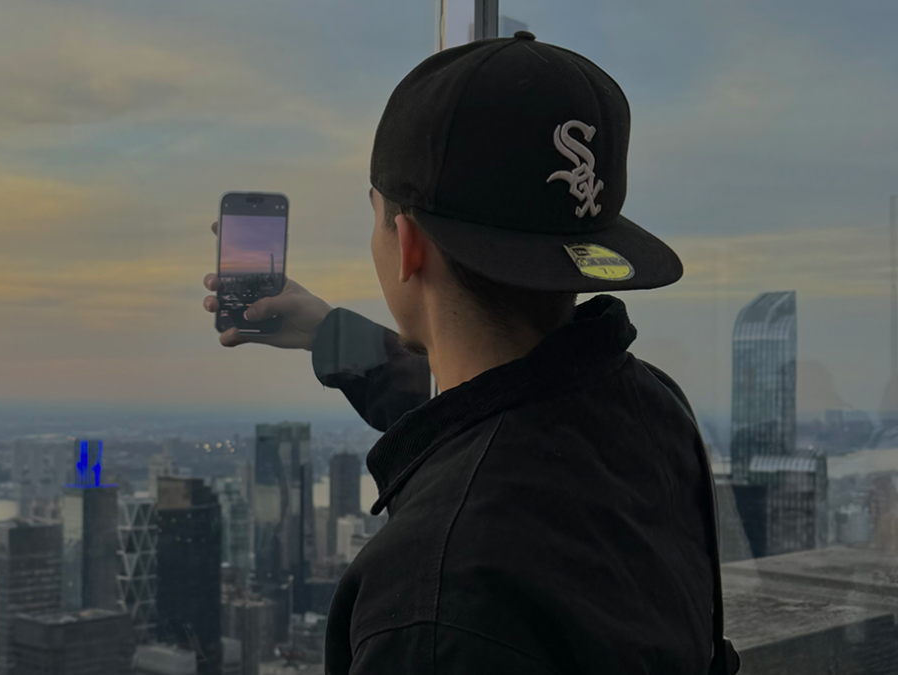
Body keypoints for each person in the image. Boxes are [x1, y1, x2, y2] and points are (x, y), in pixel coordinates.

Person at [202, 33, 737, 674]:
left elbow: (483, 451)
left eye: (375, 216)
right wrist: (328, 334)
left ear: (406, 244)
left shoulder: (431, 594)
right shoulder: (652, 408)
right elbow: (500, 413)